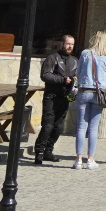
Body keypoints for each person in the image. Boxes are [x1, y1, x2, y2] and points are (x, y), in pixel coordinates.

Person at [32, 33, 77, 166]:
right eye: (68, 44)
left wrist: (75, 82)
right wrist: (63, 80)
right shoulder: (52, 58)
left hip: (65, 98)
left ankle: (48, 152)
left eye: (72, 44)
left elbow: (77, 76)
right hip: (51, 96)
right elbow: (45, 75)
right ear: (62, 44)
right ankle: (39, 153)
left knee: (58, 127)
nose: (70, 46)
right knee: (47, 126)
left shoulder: (75, 61)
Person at [73, 31, 106, 169]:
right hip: (98, 94)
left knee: (81, 126)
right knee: (93, 127)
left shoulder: (85, 53)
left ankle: (78, 160)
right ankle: (90, 159)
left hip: (84, 91)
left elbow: (78, 73)